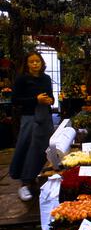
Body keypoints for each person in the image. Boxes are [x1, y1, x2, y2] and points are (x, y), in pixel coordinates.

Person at [9, 52, 54, 201]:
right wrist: (36, 99)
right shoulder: (22, 80)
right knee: (29, 147)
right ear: (27, 64)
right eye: (31, 62)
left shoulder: (46, 79)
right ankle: (24, 183)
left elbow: (50, 96)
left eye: (37, 61)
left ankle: (35, 176)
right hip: (30, 117)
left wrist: (50, 101)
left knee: (44, 149)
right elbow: (15, 100)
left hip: (45, 117)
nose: (35, 64)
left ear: (42, 63)